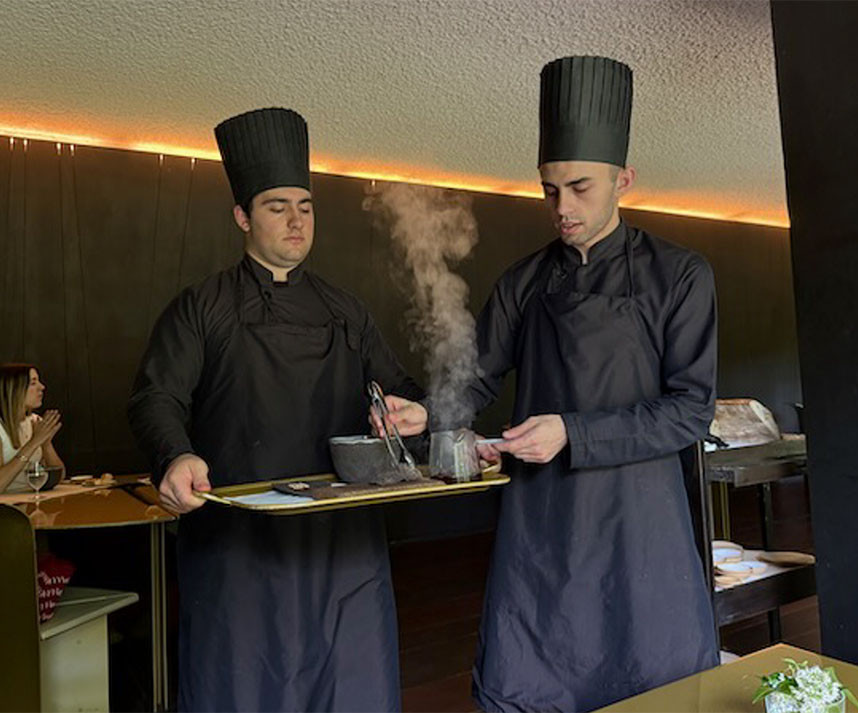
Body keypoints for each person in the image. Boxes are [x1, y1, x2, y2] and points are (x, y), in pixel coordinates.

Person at [388, 56, 720, 711]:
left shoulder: (680, 274)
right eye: (549, 190)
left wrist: (571, 430)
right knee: (530, 678)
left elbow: (690, 410)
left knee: (655, 683)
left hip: (640, 525)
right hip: (543, 526)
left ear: (623, 178)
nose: (561, 207)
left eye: (580, 187)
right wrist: (424, 415)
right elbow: (473, 380)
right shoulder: (523, 281)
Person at [127, 107, 426, 712]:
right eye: (276, 207)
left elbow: (403, 390)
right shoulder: (201, 308)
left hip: (343, 542)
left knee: (350, 682)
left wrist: (411, 412)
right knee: (244, 684)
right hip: (241, 543)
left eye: (305, 206)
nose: (296, 221)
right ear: (242, 216)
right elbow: (156, 396)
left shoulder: (348, 310)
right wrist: (176, 452)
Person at [0, 363, 64, 495]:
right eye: (33, 383)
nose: (42, 387)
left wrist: (46, 444)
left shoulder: (34, 422)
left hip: (28, 504)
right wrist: (34, 442)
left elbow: (59, 477)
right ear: (15, 389)